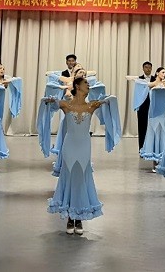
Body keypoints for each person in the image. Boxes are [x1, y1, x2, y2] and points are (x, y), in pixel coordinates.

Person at [44, 76, 120, 235]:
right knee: (70, 177)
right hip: (69, 145)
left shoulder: (92, 105)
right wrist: (49, 101)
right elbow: (48, 103)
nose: (88, 85)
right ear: (77, 86)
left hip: (84, 146)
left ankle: (78, 217)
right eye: (86, 83)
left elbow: (111, 100)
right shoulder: (65, 105)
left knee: (81, 178)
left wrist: (108, 101)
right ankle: (70, 217)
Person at [138, 67, 165, 171]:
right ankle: (154, 163)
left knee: (163, 134)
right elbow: (141, 84)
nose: (164, 74)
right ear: (157, 73)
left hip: (163, 114)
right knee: (154, 134)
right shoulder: (151, 84)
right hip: (154, 114)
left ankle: (162, 161)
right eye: (162, 72)